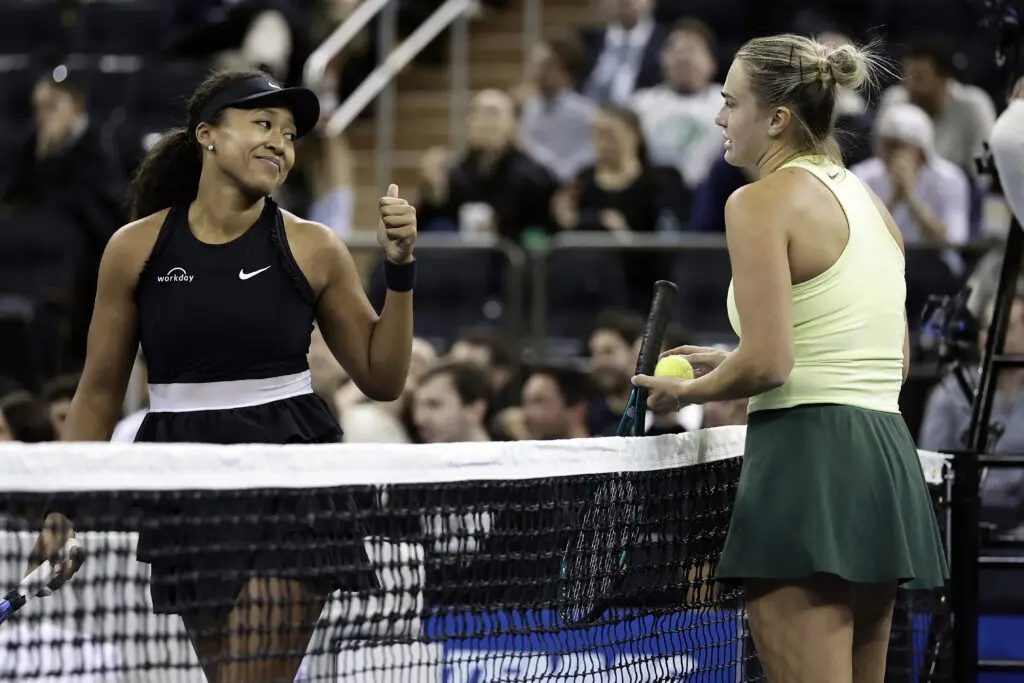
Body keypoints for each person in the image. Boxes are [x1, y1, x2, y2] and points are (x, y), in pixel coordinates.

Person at [24, 68, 418, 683]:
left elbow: (383, 377)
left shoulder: (313, 246)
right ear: (207, 134)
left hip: (291, 480)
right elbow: (99, 390)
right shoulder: (134, 249)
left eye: (289, 135)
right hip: (185, 482)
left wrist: (399, 271)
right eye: (263, 124)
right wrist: (61, 510)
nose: (280, 144)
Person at [632, 34, 947, 682]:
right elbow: (889, 355)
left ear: (776, 118)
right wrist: (734, 356)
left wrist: (686, 393)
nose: (719, 118)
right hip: (882, 460)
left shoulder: (756, 202)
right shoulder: (873, 203)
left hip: (808, 466)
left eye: (730, 102)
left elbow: (771, 365)